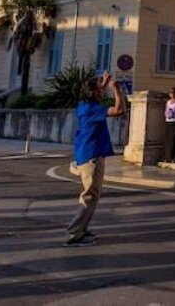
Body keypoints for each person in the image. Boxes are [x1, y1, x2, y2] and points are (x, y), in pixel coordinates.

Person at [64, 72, 125, 247]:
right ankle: (75, 233)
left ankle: (81, 229)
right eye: (99, 89)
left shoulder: (85, 105)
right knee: (90, 195)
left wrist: (104, 84)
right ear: (93, 93)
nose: (101, 91)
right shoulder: (92, 108)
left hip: (87, 153)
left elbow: (96, 96)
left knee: (92, 194)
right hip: (92, 156)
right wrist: (117, 91)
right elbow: (118, 110)